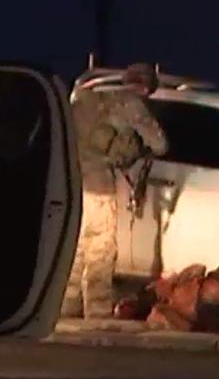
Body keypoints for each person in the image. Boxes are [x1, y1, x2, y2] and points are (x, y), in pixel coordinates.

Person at [61, 63, 168, 319]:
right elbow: (160, 144)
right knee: (101, 248)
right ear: (143, 86)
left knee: (77, 246)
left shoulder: (85, 96)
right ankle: (97, 310)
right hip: (97, 183)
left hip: (71, 182)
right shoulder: (129, 102)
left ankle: (66, 306)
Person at [114, 259, 219, 333]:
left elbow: (199, 267)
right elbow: (189, 329)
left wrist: (177, 279)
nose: (161, 280)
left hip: (216, 279)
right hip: (208, 305)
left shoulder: (180, 280)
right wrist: (167, 312)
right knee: (214, 290)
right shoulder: (158, 314)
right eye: (157, 283)